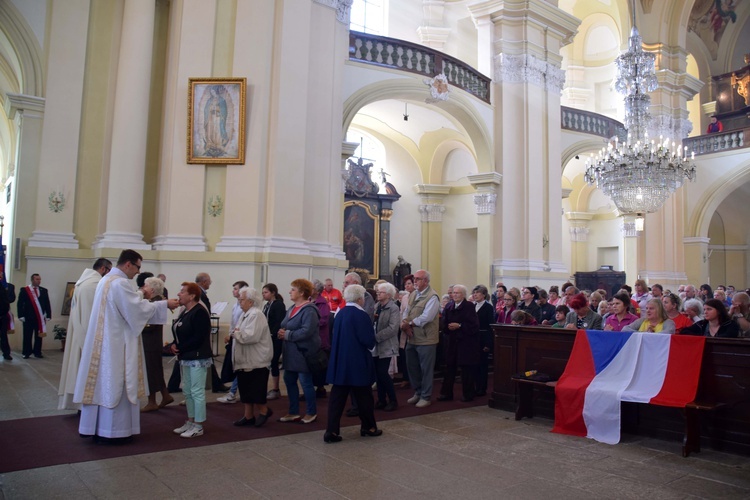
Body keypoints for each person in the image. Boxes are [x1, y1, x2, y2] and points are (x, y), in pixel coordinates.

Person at [74, 250, 177, 442]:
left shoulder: (107, 280)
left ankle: (95, 427)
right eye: (138, 267)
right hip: (116, 345)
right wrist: (164, 304)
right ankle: (114, 431)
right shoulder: (120, 283)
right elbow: (135, 310)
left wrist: (140, 293)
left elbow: (125, 304)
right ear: (128, 264)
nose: (138, 272)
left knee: (102, 385)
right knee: (117, 382)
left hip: (104, 342)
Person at [324, 284, 379, 443]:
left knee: (337, 398)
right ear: (360, 298)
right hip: (357, 362)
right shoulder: (360, 315)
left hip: (340, 361)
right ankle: (368, 427)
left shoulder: (340, 313)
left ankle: (331, 431)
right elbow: (367, 340)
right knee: (364, 397)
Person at [57, 258, 112, 410]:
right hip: (86, 336)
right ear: (103, 269)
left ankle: (80, 404)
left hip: (78, 333)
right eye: (109, 271)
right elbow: (90, 318)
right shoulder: (92, 286)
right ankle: (84, 405)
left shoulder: (82, 283)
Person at [171, 281, 213, 438]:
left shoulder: (200, 312)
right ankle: (190, 420)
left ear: (192, 296)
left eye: (182, 291)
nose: (179, 294)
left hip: (197, 357)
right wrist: (174, 344)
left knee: (197, 391)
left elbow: (198, 337)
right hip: (186, 356)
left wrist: (180, 347)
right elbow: (180, 332)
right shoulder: (185, 311)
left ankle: (199, 425)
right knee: (187, 391)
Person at [230, 287, 274, 427]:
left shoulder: (256, 314)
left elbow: (249, 337)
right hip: (246, 360)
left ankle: (264, 411)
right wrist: (236, 332)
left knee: (255, 389)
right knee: (245, 389)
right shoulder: (247, 313)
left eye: (241, 300)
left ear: (250, 301)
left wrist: (235, 333)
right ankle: (248, 416)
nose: (239, 302)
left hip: (256, 360)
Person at [278, 278, 321, 424]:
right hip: (291, 352)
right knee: (289, 379)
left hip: (303, 352)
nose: (290, 292)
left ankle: (311, 412)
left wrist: (288, 334)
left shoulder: (309, 310)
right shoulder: (292, 308)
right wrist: (281, 331)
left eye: (293, 289)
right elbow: (285, 323)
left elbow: (307, 331)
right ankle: (293, 411)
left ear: (302, 293)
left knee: (305, 382)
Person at [401, 269, 440, 408]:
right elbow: (406, 311)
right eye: (415, 279)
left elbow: (426, 317)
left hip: (426, 339)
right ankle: (418, 392)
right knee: (412, 367)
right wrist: (405, 324)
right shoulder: (413, 295)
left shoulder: (432, 296)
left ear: (426, 281)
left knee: (426, 369)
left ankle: (426, 396)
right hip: (412, 337)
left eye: (418, 279)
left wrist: (409, 324)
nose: (415, 281)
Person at [439, 285, 480, 402]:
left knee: (467, 369)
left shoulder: (469, 306)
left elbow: (474, 325)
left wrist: (460, 326)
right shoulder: (449, 306)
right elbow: (444, 321)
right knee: (449, 367)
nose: (454, 295)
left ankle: (468, 394)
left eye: (457, 293)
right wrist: (447, 327)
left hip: (466, 342)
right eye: (453, 293)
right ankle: (446, 393)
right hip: (452, 341)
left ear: (463, 295)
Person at [139, 276, 174, 412]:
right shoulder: (155, 301)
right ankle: (165, 395)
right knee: (155, 371)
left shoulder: (156, 302)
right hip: (151, 341)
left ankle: (152, 401)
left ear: (152, 289)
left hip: (150, 342)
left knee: (151, 371)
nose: (143, 288)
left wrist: (137, 325)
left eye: (145, 286)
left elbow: (150, 325)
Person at [217, 280, 249, 404]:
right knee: (235, 366)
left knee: (240, 367)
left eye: (236, 288)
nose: (233, 291)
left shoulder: (246, 306)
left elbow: (241, 324)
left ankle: (232, 393)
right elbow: (233, 322)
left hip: (241, 339)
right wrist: (229, 335)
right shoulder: (236, 304)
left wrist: (234, 335)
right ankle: (234, 392)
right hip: (234, 338)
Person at [373, 282, 399, 411]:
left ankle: (393, 400)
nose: (378, 293)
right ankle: (381, 399)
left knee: (383, 373)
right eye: (377, 292)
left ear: (388, 294)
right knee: (378, 374)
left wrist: (376, 337)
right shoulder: (377, 306)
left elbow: (393, 328)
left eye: (381, 292)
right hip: (376, 346)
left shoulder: (393, 308)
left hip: (387, 344)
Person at [17, 273, 52, 359]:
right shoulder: (25, 290)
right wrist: (21, 315)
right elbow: (20, 303)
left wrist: (48, 314)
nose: (39, 281)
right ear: (32, 280)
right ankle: (26, 352)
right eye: (37, 279)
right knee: (27, 336)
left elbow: (47, 303)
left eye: (40, 279)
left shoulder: (44, 290)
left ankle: (37, 352)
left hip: (39, 318)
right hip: (28, 317)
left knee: (39, 336)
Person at [262, 283, 286, 400]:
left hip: (275, 338)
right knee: (269, 362)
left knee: (274, 361)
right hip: (267, 338)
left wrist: (272, 333)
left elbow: (279, 322)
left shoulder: (279, 305)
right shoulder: (267, 305)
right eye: (263, 293)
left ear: (273, 293)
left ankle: (276, 389)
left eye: (266, 292)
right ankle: (271, 388)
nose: (263, 295)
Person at [472, 285, 495, 397]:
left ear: (484, 295)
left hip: (483, 337)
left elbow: (490, 326)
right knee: (474, 364)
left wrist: (488, 343)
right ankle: (475, 386)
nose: (475, 295)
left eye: (477, 293)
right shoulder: (473, 306)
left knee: (482, 365)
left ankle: (482, 388)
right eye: (474, 293)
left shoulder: (488, 307)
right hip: (474, 338)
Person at [310, 280, 331, 398]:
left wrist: (308, 323)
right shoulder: (308, 301)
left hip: (320, 338)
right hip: (310, 338)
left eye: (311, 288)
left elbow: (323, 320)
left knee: (319, 366)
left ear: (317, 291)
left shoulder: (322, 303)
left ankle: (320, 388)